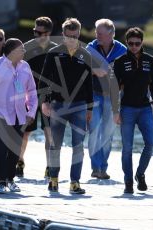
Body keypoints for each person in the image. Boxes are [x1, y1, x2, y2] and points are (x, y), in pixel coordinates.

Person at [39, 18, 93, 194]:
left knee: (78, 145)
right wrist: (44, 102)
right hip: (58, 104)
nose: (71, 39)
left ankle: (75, 182)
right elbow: (44, 79)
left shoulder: (85, 54)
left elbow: (89, 84)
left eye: (75, 36)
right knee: (56, 144)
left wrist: (90, 108)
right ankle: (53, 179)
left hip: (79, 105)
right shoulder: (54, 53)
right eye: (68, 36)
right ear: (63, 35)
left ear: (79, 35)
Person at [0, 38, 38, 194]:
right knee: (1, 149)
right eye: (21, 50)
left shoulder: (25, 66)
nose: (24, 52)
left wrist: (31, 112)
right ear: (11, 52)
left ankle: (11, 180)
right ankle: (1, 182)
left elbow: (32, 92)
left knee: (14, 150)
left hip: (20, 115)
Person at [113, 27, 153, 194]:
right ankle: (128, 181)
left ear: (142, 42)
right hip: (127, 109)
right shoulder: (120, 61)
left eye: (137, 43)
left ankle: (140, 174)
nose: (134, 46)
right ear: (126, 43)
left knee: (150, 143)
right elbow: (114, 89)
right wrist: (115, 111)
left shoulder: (149, 60)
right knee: (127, 147)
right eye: (130, 43)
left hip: (145, 109)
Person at [15, 17, 57, 178]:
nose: (37, 35)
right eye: (35, 31)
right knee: (25, 132)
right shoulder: (26, 49)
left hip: (49, 97)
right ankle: (19, 161)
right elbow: (17, 74)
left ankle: (50, 166)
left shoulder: (56, 49)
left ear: (49, 33)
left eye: (41, 32)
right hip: (28, 97)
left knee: (49, 132)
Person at [86, 19, 126, 179]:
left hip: (112, 98)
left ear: (111, 34)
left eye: (100, 33)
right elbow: (79, 69)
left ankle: (103, 167)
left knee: (108, 134)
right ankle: (95, 167)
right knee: (94, 131)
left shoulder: (122, 51)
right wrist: (95, 71)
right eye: (96, 32)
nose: (97, 36)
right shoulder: (90, 48)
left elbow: (126, 75)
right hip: (94, 96)